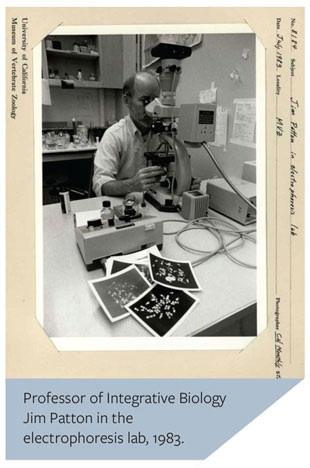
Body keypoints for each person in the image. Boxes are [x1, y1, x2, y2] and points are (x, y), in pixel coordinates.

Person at [92, 71, 199, 197]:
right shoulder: (114, 136)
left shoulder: (165, 133)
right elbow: (100, 184)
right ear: (127, 101)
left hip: (154, 202)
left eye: (156, 101)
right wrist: (131, 185)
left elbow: (173, 172)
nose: (153, 108)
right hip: (124, 203)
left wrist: (184, 182)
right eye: (146, 100)